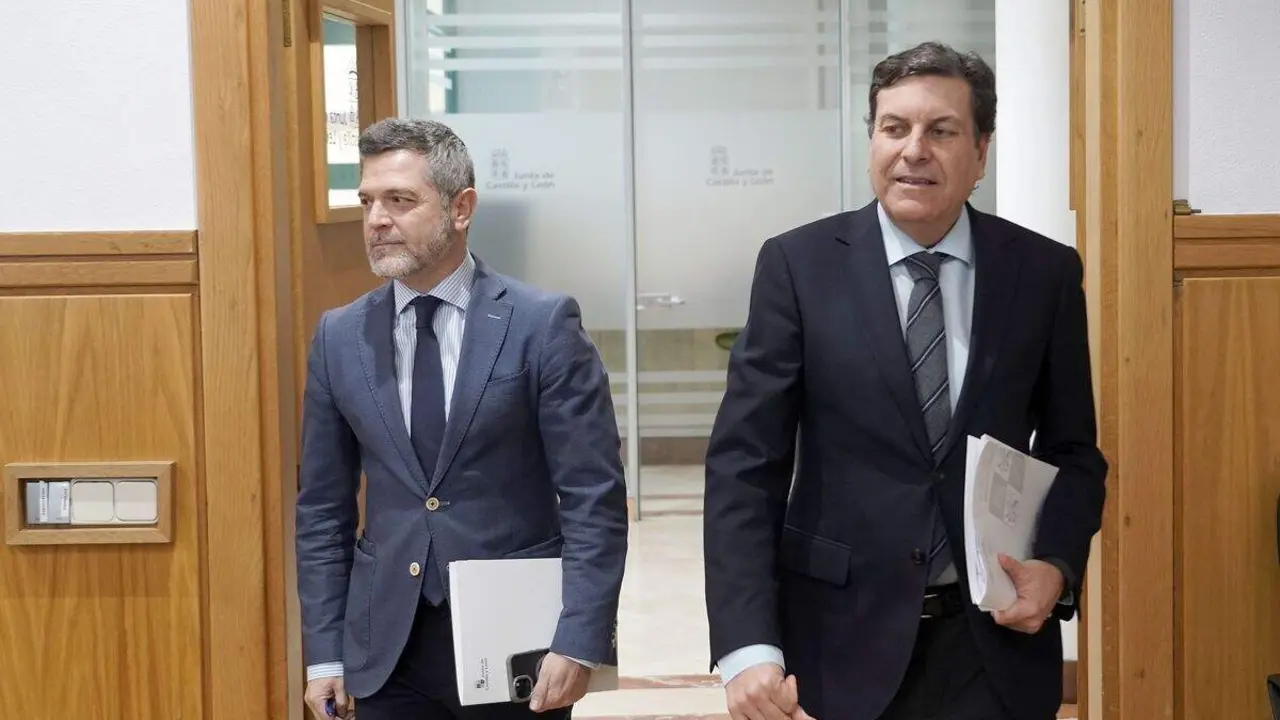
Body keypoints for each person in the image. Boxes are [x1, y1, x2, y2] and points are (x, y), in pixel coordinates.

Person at [703, 41, 1107, 720]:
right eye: (895, 128)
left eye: (941, 131)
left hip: (991, 646)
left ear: (980, 153)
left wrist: (1057, 565)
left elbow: (1073, 451)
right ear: (872, 143)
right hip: (834, 642)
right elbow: (746, 465)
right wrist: (746, 644)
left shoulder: (1043, 273)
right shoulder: (797, 268)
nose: (914, 149)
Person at [296, 117, 628, 720]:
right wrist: (324, 655)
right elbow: (322, 508)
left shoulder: (541, 325)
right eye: (367, 202)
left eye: (400, 201)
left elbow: (594, 497)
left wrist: (580, 638)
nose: (376, 221)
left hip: (515, 642)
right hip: (384, 647)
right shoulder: (338, 337)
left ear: (461, 208)